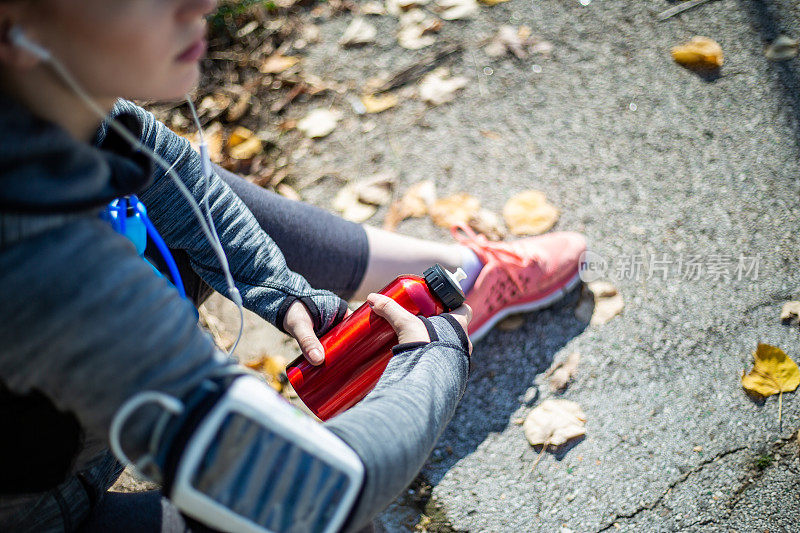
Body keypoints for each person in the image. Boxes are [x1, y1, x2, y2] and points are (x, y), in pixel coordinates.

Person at [0, 0, 585, 531]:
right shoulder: (40, 264)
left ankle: (464, 269)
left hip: (61, 446)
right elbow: (316, 489)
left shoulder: (42, 100)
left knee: (159, 181)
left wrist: (279, 289)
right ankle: (462, 287)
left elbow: (183, 182)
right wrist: (434, 359)